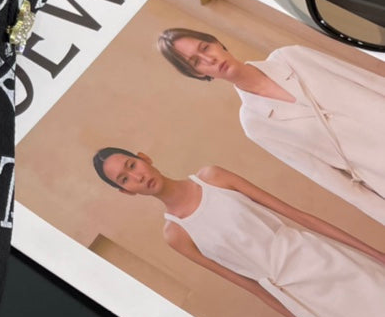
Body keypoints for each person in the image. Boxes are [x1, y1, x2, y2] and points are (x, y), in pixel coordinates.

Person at [93, 147, 385, 317]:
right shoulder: (176, 235)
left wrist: (374, 253)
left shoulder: (212, 178)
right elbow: (253, 289)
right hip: (300, 296)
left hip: (321, 257)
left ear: (144, 157)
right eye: (125, 179)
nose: (137, 177)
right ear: (126, 192)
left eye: (132, 165)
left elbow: (298, 216)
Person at [157, 28, 385, 226]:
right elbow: (324, 176)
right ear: (197, 73)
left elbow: (368, 81)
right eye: (196, 62)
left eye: (205, 48)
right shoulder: (255, 122)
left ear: (217, 43)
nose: (209, 59)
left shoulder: (290, 57)